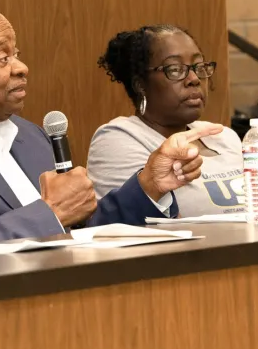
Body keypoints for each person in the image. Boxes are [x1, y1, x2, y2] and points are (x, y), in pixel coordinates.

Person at [0, 4, 222, 250]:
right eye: (3, 57)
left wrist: (149, 184)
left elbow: (82, 233)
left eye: (17, 55)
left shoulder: (29, 136)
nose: (21, 68)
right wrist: (48, 214)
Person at [89, 25, 244, 217]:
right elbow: (132, 226)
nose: (194, 79)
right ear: (140, 85)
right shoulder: (118, 139)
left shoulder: (224, 136)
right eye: (175, 69)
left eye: (199, 66)